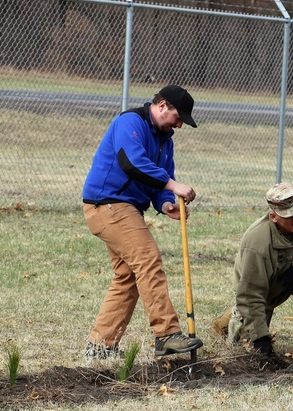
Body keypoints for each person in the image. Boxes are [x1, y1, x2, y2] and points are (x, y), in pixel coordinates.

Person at [82, 85, 204, 360]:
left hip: (126, 208)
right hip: (107, 204)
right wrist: (174, 185)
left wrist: (165, 203)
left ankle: (101, 346)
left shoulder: (165, 140)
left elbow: (158, 179)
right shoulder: (130, 123)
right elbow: (131, 163)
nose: (180, 124)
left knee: (128, 277)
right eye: (178, 116)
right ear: (162, 105)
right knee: (148, 260)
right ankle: (167, 335)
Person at [210, 183, 293, 356]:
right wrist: (261, 339)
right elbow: (250, 295)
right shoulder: (257, 243)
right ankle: (226, 322)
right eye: (290, 215)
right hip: (260, 288)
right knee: (247, 352)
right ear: (274, 217)